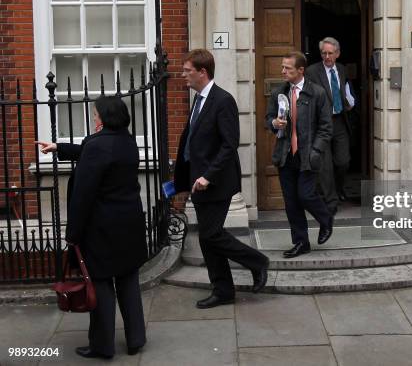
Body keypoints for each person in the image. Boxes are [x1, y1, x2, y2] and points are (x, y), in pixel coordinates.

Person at [36, 96, 147, 360]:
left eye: (96, 114)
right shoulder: (127, 141)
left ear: (105, 117)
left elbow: (83, 195)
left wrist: (73, 234)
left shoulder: (98, 145)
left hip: (102, 228)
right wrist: (58, 147)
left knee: (100, 284)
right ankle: (135, 339)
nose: (94, 118)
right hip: (130, 224)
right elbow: (89, 149)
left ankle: (102, 346)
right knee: (128, 280)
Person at [174, 49, 269, 308]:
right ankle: (223, 290)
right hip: (198, 181)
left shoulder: (223, 100)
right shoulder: (199, 100)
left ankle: (257, 261)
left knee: (212, 234)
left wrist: (207, 176)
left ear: (202, 72)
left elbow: (230, 144)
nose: (183, 75)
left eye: (187, 71)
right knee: (206, 237)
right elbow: (195, 141)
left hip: (216, 182)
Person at [266, 51, 334, 258]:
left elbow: (326, 128)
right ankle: (301, 242)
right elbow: (267, 119)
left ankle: (326, 219)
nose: (283, 71)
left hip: (308, 155)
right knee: (291, 202)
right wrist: (273, 123)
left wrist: (315, 151)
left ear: (301, 70)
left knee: (305, 195)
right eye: (283, 67)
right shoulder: (279, 93)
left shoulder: (318, 93)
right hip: (285, 155)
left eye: (288, 68)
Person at [305, 37, 354, 214]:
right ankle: (330, 201)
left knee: (343, 161)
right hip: (322, 123)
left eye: (330, 53)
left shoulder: (341, 70)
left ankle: (339, 189)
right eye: (324, 53)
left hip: (340, 120)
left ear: (337, 54)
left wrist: (350, 102)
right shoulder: (311, 71)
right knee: (325, 165)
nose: (327, 57)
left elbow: (347, 91)